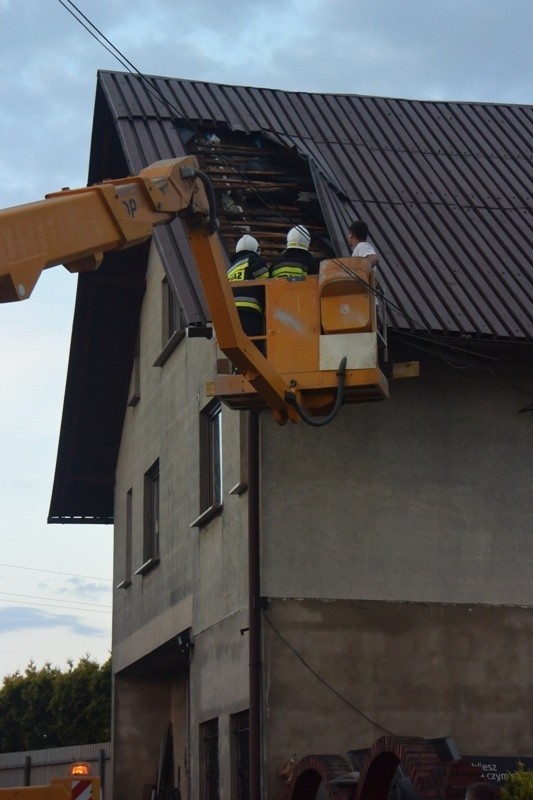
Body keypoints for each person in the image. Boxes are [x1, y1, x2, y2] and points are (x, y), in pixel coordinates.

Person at [227, 234, 269, 343]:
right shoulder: (252, 258)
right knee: (254, 343)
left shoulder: (231, 268)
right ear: (256, 249)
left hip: (232, 311)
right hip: (250, 309)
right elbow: (264, 277)